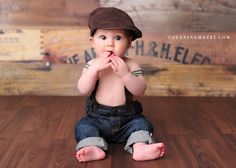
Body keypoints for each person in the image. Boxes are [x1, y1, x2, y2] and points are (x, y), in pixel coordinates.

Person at [75, 7, 165, 162]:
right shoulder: (92, 65)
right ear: (92, 41)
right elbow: (84, 89)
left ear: (129, 43)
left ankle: (140, 147)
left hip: (127, 119)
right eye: (103, 37)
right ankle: (93, 147)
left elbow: (140, 90)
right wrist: (94, 71)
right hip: (98, 117)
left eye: (117, 38)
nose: (110, 44)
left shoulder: (131, 65)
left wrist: (125, 75)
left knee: (142, 124)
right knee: (83, 126)